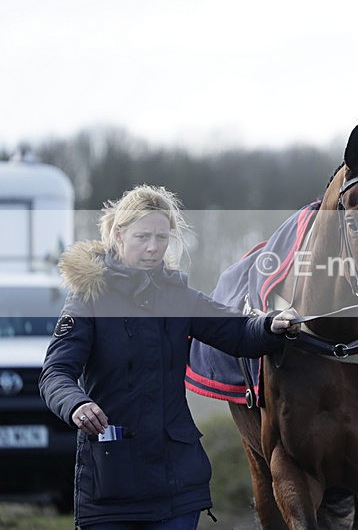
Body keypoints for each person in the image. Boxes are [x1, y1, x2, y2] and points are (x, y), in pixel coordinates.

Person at [39, 185, 300, 530]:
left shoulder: (180, 297)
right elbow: (55, 372)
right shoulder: (88, 300)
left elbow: (239, 333)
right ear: (119, 234)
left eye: (162, 237)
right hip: (110, 480)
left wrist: (272, 326)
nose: (153, 247)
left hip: (177, 482)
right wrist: (75, 404)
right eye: (143, 236)